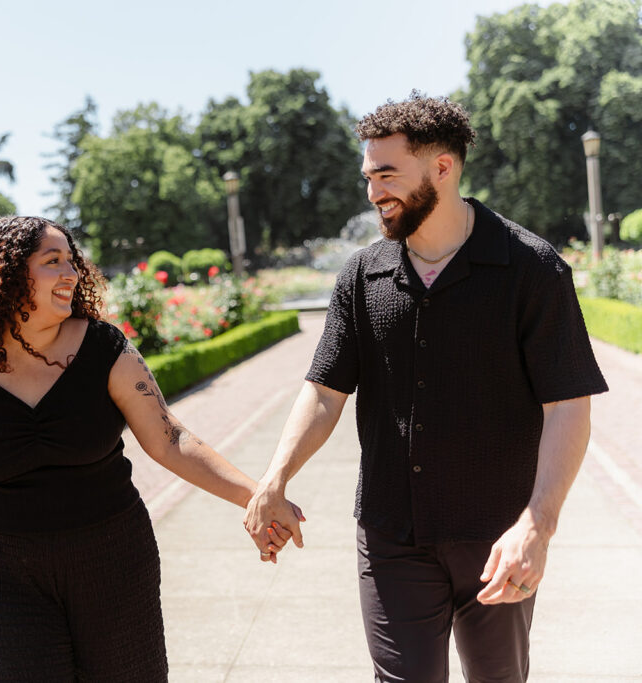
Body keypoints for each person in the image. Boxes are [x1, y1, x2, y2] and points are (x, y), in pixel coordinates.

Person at [243, 94, 608, 682]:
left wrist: (537, 526)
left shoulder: (532, 268)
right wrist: (275, 477)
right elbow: (325, 389)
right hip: (392, 535)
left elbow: (568, 406)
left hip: (499, 535)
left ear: (443, 167)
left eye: (387, 175)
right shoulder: (362, 274)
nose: (373, 192)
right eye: (368, 176)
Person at [0, 216, 298, 682]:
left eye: (72, 261)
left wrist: (256, 496)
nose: (71, 273)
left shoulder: (105, 348)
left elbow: (171, 439)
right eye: (52, 261)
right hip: (8, 573)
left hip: (113, 559)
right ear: (8, 273)